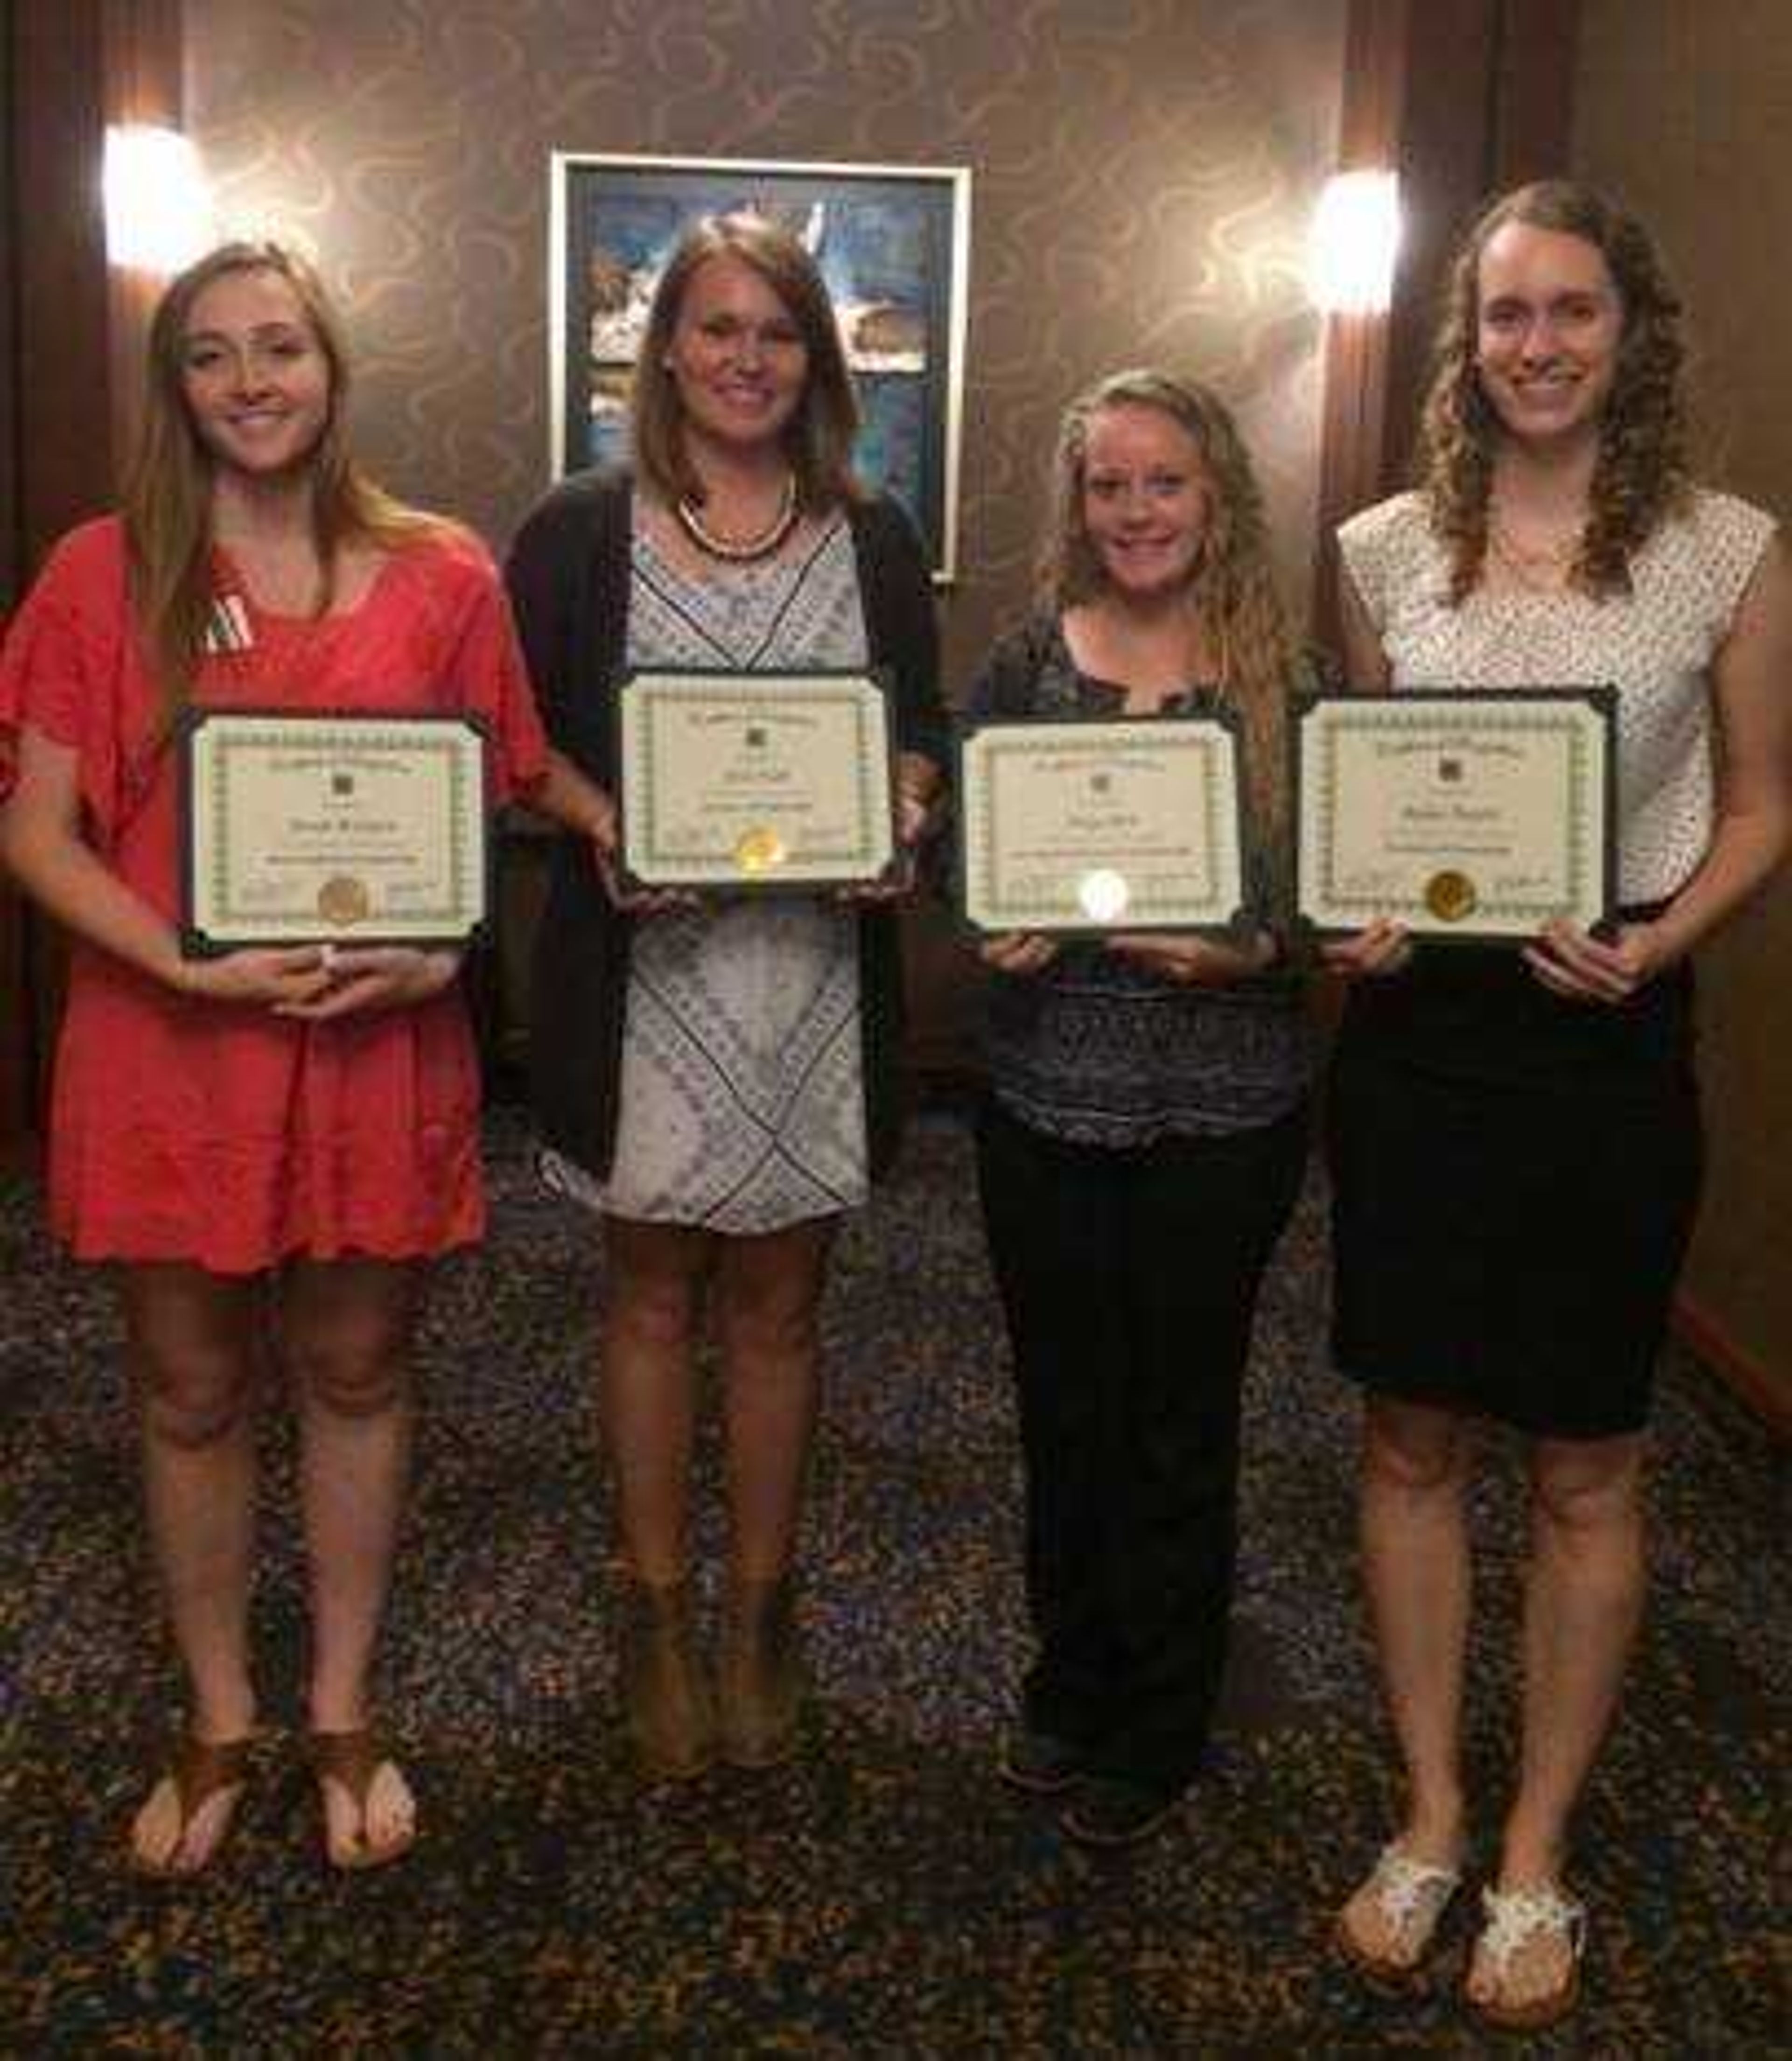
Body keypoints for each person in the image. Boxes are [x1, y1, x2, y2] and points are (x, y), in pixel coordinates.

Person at [0, 241, 564, 1875]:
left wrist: (440, 947)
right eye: (211, 356)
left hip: (374, 1048)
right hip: (169, 1043)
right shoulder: (100, 573)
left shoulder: (447, 570)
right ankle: (219, 1710)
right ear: (173, 385)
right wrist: (186, 952)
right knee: (187, 1391)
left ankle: (340, 1701)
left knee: (358, 1371)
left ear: (334, 370)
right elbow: (35, 833)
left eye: (282, 349)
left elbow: (488, 812)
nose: (252, 383)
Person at [1325, 181, 1789, 2029]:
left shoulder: (1727, 550)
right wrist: (1358, 917)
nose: (1536, 346)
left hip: (1605, 1046)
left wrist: (1666, 937)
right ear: (1471, 339)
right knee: (1410, 1442)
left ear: (1629, 331)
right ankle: (1432, 1811)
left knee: (1589, 1455)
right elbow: (1370, 792)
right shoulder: (1378, 552)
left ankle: (1536, 1843)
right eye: (1507, 315)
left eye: (1572, 312)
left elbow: (1764, 799)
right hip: (1420, 1058)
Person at [505, 211, 946, 1781]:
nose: (748, 358)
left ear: (814, 359)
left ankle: (763, 1608)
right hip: (648, 983)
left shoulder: (870, 529)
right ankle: (656, 1609)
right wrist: (606, 822)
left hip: (808, 985)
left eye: (778, 333)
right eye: (718, 329)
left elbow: (918, 737)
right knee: (649, 1301)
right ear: (663, 349)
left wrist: (895, 816)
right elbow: (517, 746)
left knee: (779, 1309)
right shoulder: (577, 528)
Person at [967, 369, 1313, 1846]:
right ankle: (1071, 1677)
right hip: (1046, 1101)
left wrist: (1259, 947)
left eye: (1163, 482)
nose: (1135, 512)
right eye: (1108, 485)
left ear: (1217, 491)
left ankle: (1161, 1715)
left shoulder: (1284, 677)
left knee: (1180, 1415)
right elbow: (954, 840)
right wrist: (985, 911)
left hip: (1223, 1116)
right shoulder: (1031, 658)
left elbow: (1323, 889)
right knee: (1063, 1406)